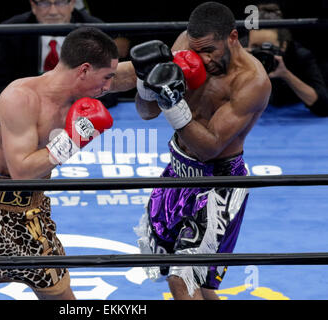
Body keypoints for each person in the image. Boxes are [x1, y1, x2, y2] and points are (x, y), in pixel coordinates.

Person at [0, 27, 118, 300]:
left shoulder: (84, 86)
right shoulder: (20, 98)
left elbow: (130, 73)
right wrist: (74, 139)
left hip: (30, 209)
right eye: (106, 78)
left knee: (60, 296)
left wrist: (172, 63)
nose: (109, 87)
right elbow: (22, 171)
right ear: (84, 70)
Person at [111, 1, 271, 300]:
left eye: (211, 50)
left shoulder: (251, 81)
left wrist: (172, 102)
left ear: (232, 38)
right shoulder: (188, 45)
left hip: (218, 182)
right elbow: (146, 112)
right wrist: (147, 84)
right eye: (197, 51)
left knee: (181, 278)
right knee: (203, 288)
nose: (202, 59)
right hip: (178, 171)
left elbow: (210, 147)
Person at [0, 0, 123, 107]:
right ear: (33, 5)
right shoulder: (13, 31)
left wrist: (72, 103)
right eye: (45, 3)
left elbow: (108, 89)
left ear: (72, 3)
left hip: (77, 112)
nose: (53, 11)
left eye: (60, 2)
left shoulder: (95, 32)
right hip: (28, 108)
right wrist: (30, 101)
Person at [247, 5, 328, 116]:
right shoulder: (242, 53)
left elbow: (323, 107)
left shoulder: (300, 56)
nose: (261, 53)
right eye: (255, 46)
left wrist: (286, 75)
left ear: (283, 46)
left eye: (267, 46)